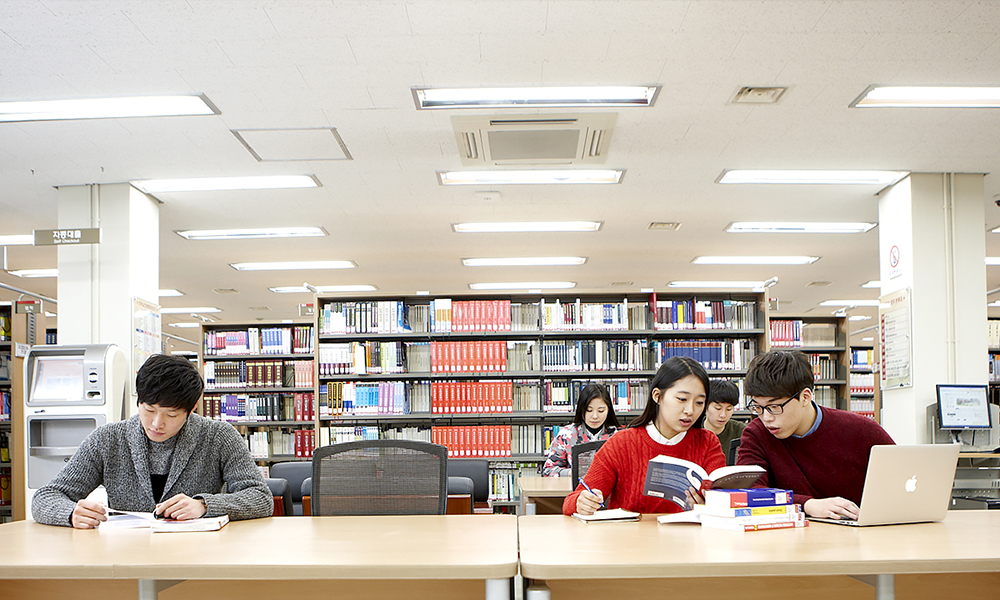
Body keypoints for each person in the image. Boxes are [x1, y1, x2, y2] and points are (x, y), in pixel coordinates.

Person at [32, 354, 273, 528]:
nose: (157, 423)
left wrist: (204, 505)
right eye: (149, 410)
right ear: (138, 401)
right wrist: (71, 512)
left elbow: (261, 498)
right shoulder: (108, 439)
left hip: (199, 557)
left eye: (171, 415)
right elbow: (46, 497)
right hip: (126, 557)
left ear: (192, 409)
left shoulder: (219, 436)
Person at [736, 350, 895, 520]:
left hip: (860, 534)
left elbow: (903, 478)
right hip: (789, 539)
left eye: (774, 407)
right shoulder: (756, 434)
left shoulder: (863, 430)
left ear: (805, 397)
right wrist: (807, 505)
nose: (766, 418)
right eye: (757, 407)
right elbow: (749, 492)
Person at [564, 356, 726, 516]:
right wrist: (582, 502)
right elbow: (570, 502)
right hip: (630, 540)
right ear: (657, 396)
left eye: (699, 403)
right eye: (682, 399)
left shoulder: (708, 443)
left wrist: (712, 506)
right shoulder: (621, 444)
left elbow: (724, 503)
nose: (690, 410)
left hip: (689, 539)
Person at [542, 383, 622, 477]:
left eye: (601, 411)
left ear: (608, 410)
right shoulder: (566, 435)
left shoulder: (619, 436)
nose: (595, 416)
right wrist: (570, 473)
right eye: (589, 410)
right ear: (581, 409)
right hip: (577, 489)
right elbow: (548, 470)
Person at [703, 379, 745, 464]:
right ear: (705, 406)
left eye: (729, 409)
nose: (723, 415)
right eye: (717, 408)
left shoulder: (741, 431)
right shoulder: (693, 430)